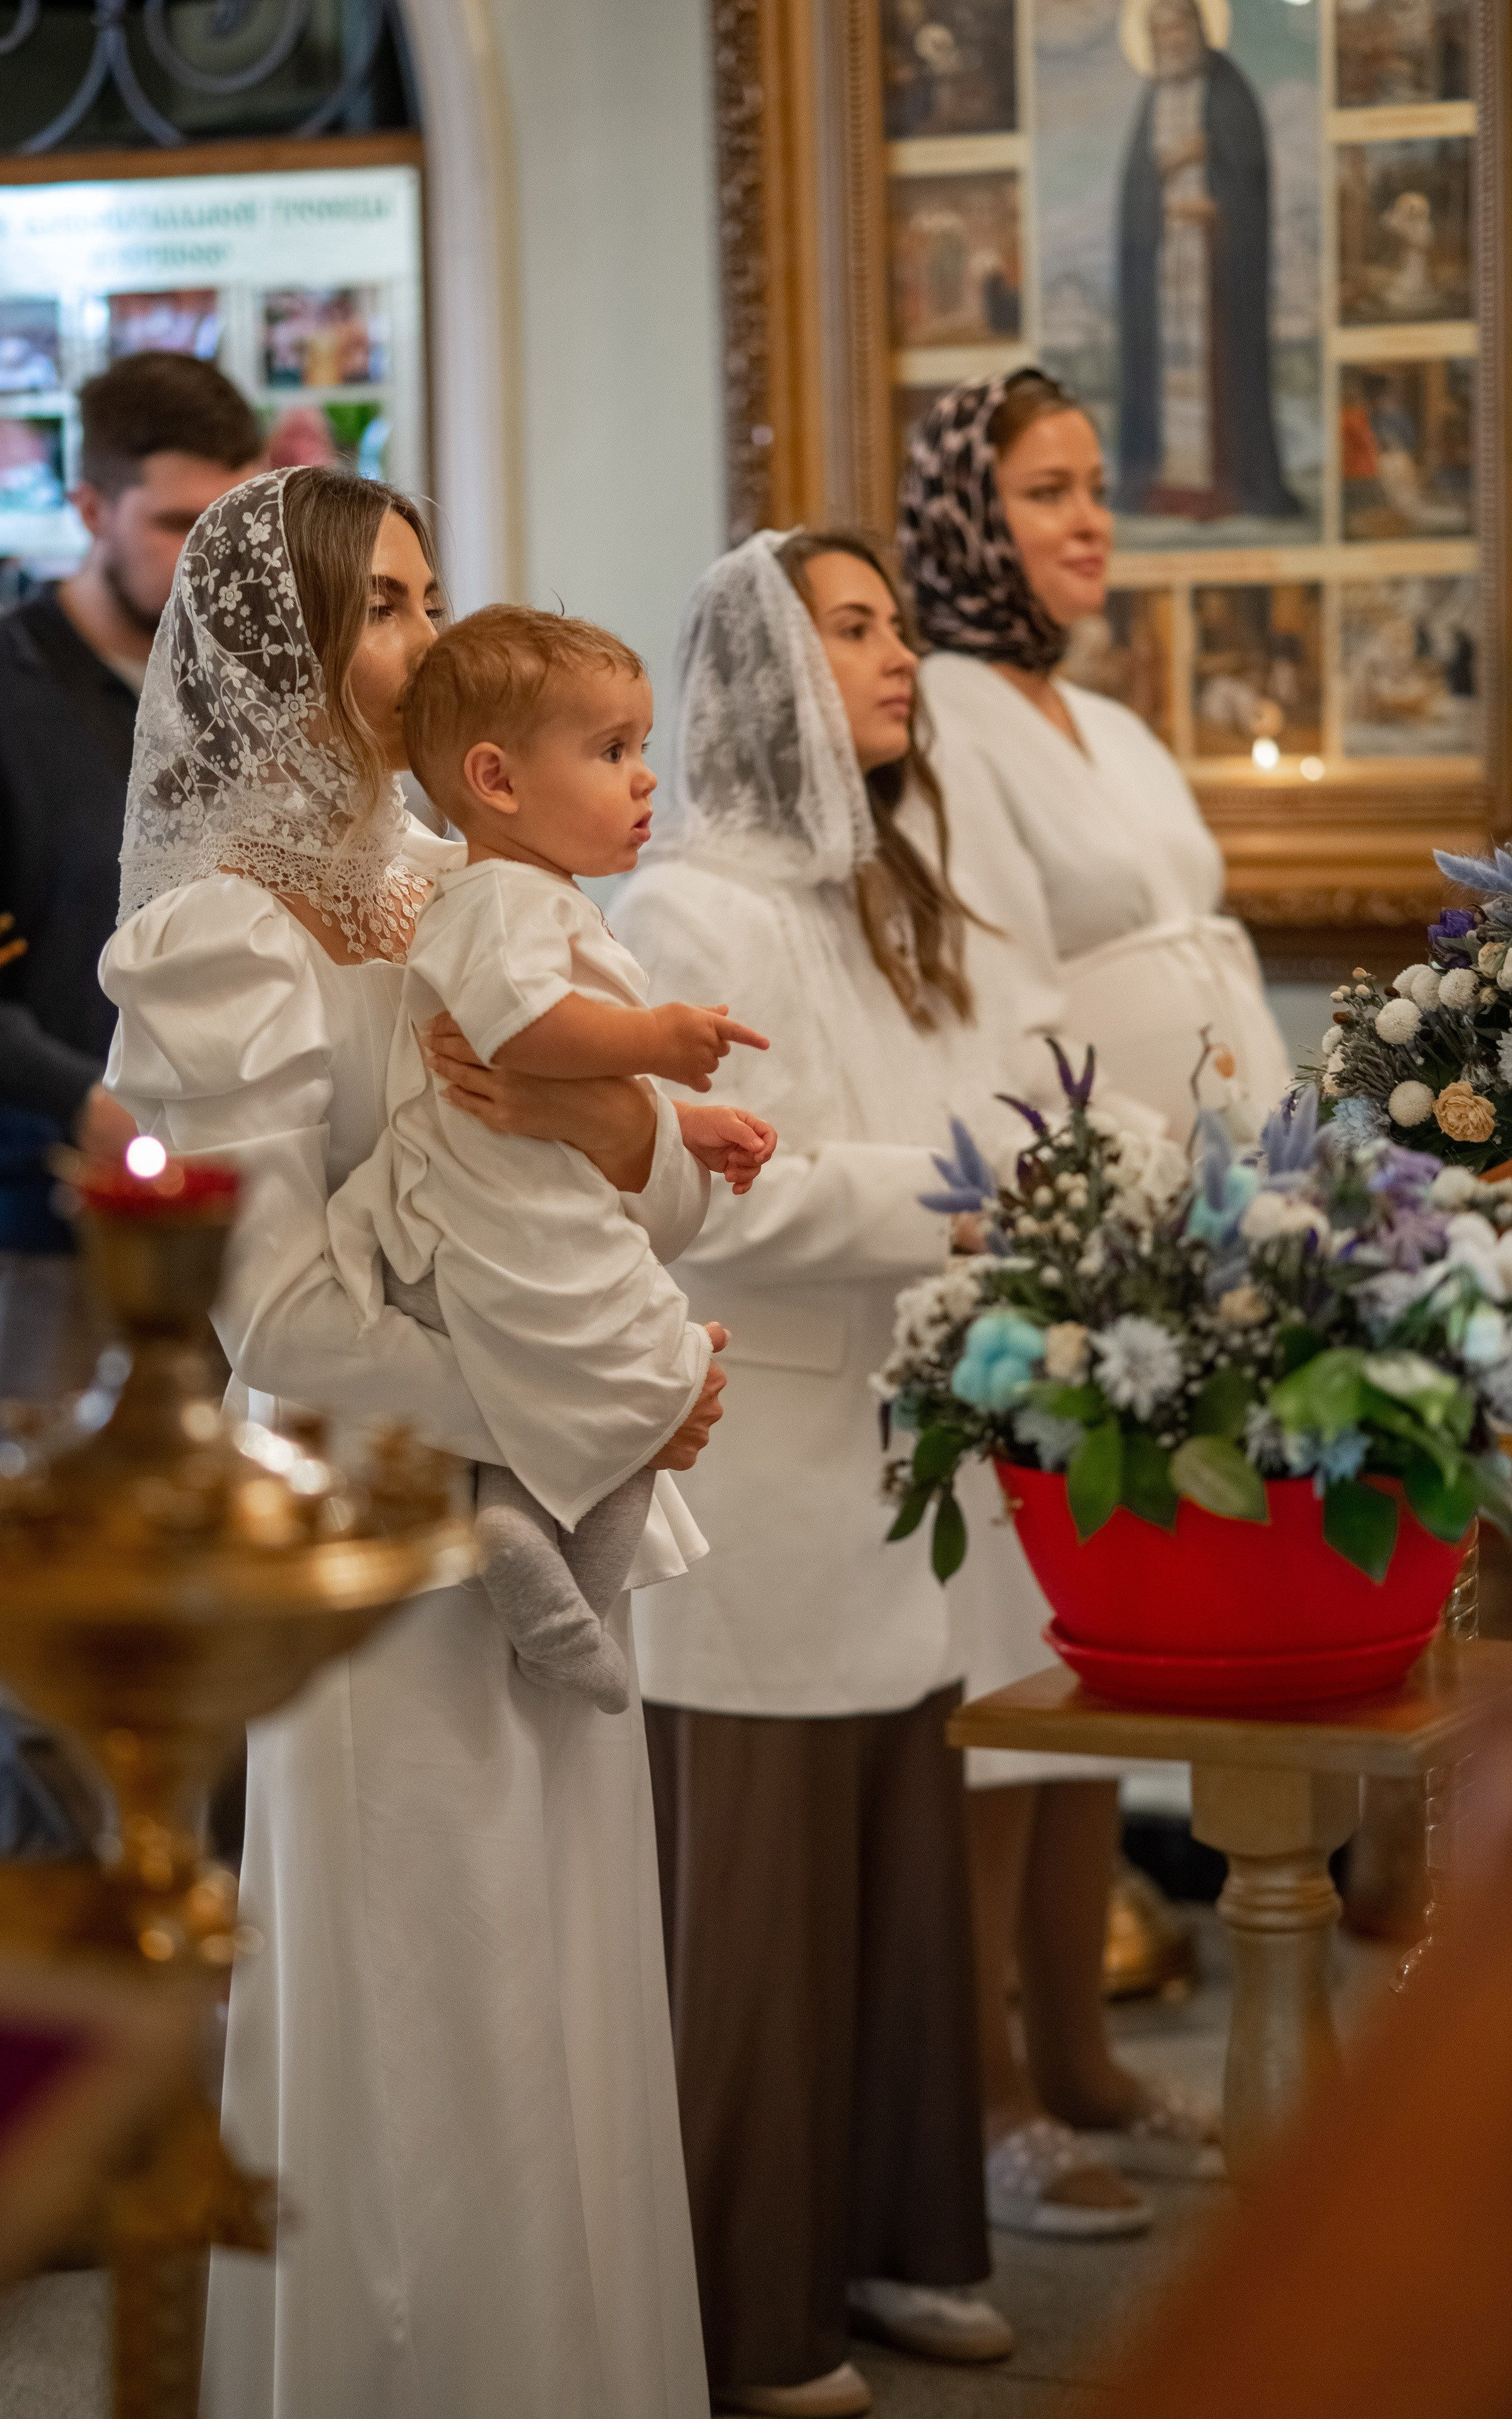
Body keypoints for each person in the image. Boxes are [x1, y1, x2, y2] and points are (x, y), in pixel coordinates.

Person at [100, 466, 722, 2419]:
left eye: (428, 597)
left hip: (552, 1501)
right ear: (282, 648)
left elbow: (672, 1178)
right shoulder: (219, 936)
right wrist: (569, 1400)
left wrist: (618, 1145)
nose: (420, 641)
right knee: (429, 2027)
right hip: (378, 1541)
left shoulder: (479, 881)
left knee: (568, 2006)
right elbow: (271, 1316)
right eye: (377, 607)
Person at [611, 527, 1084, 2419]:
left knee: (896, 1885)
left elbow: (1010, 1095)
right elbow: (729, 1195)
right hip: (770, 1466)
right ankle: (744, 2300)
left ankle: (894, 2236)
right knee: (762, 1905)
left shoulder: (895, 892)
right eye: (858, 631)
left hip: (911, 1458)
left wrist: (1036, 1166)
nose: (901, 663)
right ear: (764, 670)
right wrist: (973, 1208)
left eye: (896, 626)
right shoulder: (685, 914)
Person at [898, 365, 1290, 2232]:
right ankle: (986, 2095)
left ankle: (1077, 2048)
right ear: (970, 515)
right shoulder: (947, 719)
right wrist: (1098, 1183)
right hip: (1059, 1233)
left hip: (1191, 1227)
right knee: (1000, 1665)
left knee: (1081, 1662)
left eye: (1094, 486)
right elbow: (980, 985)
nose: (1084, 521)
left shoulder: (1106, 719)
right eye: (1044, 490)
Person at [0, 351, 262, 1859]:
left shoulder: (240, 690)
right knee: (40, 1632)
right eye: (175, 526)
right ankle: (56, 1994)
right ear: (87, 506)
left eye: (226, 528)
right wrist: (88, 1105)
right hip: (33, 1222)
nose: (201, 566)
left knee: (224, 1599)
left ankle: (218, 1983)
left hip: (230, 1227)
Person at [327, 603, 775, 1711]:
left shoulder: (528, 895)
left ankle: (538, 1556)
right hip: (502, 1217)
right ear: (499, 779)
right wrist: (661, 1039)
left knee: (656, 1376)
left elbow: (570, 1088)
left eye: (643, 749)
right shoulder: (500, 902)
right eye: (612, 751)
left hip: (526, 1199)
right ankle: (545, 1581)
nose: (644, 780)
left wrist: (676, 1126)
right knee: (655, 1375)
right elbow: (522, 1035)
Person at [1116, 0, 1299, 520]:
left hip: (1215, 270)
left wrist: (1214, 205)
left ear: (1198, 30)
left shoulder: (1228, 90)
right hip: (1164, 272)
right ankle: (1166, 477)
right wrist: (1174, 164)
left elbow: (1249, 178)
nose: (1171, 43)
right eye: (1160, 35)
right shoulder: (1150, 100)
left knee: (1221, 368)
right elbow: (1136, 194)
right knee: (1167, 376)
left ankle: (1231, 483)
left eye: (1179, 30)